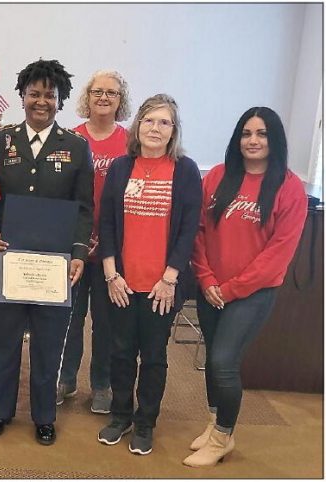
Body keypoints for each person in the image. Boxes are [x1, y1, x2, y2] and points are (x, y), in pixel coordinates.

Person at [183, 107, 307, 467]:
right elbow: (199, 231)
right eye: (247, 133)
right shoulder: (219, 177)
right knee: (212, 358)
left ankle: (224, 436)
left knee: (224, 361)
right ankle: (213, 424)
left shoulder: (289, 187)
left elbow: (278, 254)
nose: (253, 141)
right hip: (211, 288)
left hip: (252, 294)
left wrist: (231, 289)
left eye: (262, 134)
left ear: (274, 140)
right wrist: (206, 278)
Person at [0, 59, 94, 446]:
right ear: (22, 97)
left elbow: (84, 208)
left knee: (49, 344)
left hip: (55, 266)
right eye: (34, 93)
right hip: (6, 261)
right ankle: (0, 410)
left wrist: (79, 252)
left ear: (60, 100)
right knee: (4, 342)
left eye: (50, 94)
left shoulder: (77, 148)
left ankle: (44, 415)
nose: (41, 100)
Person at [97, 94, 201, 456]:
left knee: (154, 356)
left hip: (162, 287)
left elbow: (189, 228)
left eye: (164, 122)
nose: (155, 128)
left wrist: (170, 278)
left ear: (173, 131)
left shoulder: (185, 170)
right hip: (123, 282)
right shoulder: (121, 168)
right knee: (121, 352)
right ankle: (121, 414)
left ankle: (145, 423)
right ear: (137, 125)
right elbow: (107, 222)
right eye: (149, 120)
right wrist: (111, 273)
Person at [57, 70, 131, 413]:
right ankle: (66, 378)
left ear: (121, 100)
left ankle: (101, 384)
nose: (104, 97)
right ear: (87, 97)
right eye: (97, 91)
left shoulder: (130, 143)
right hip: (74, 244)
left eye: (111, 93)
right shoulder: (71, 139)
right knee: (70, 317)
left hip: (112, 250)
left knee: (106, 322)